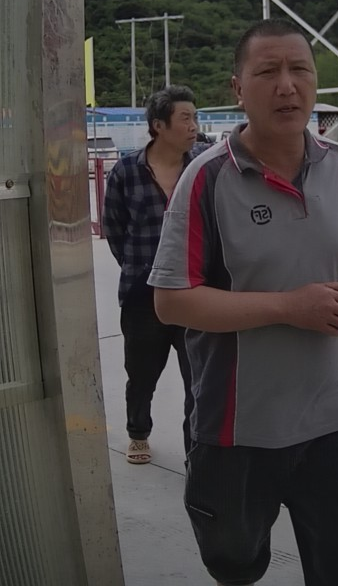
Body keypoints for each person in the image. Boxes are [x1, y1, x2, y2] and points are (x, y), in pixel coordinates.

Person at [148, 20, 338, 585]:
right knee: (234, 565)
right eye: (268, 71)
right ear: (238, 88)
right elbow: (171, 302)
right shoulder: (207, 179)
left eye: (300, 70)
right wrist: (289, 307)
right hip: (237, 430)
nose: (287, 86)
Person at [103, 85, 208, 464]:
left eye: (195, 118)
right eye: (185, 118)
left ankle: (196, 447)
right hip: (142, 295)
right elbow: (114, 229)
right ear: (158, 125)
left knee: (199, 379)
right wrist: (140, 268)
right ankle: (138, 433)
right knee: (141, 374)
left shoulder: (204, 167)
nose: (194, 126)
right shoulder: (126, 172)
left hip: (195, 293)